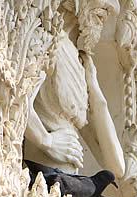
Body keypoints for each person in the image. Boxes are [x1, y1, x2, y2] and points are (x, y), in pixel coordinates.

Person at [25, 0, 125, 178]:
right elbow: (17, 101)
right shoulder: (45, 38)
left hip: (65, 187)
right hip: (39, 178)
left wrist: (95, 93)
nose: (113, 8)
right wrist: (45, 140)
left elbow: (116, 167)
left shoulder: (80, 63)